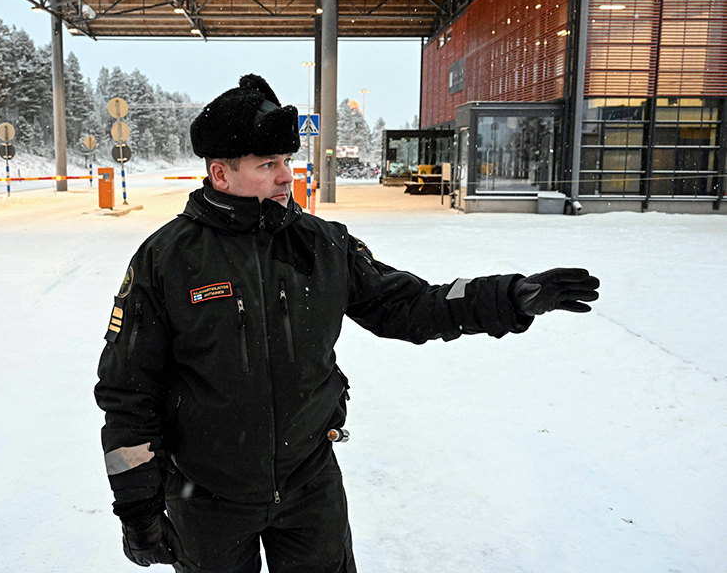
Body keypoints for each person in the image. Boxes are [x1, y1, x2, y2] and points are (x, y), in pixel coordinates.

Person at [94, 74, 599, 573]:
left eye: (287, 161)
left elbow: (412, 305)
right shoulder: (167, 259)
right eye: (267, 164)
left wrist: (509, 297)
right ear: (221, 174)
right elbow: (128, 389)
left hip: (309, 485)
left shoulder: (323, 245)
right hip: (206, 496)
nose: (285, 176)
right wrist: (138, 509)